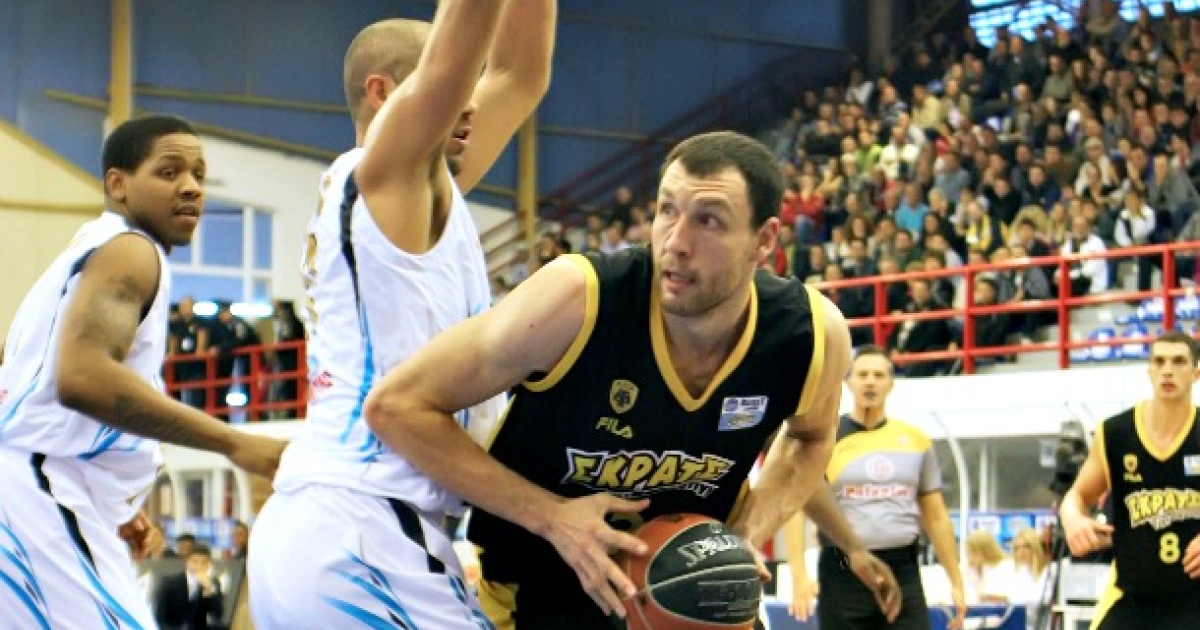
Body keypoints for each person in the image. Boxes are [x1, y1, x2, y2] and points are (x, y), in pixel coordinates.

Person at [363, 131, 900, 630]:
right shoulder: (576, 299)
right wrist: (552, 518)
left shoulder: (810, 333)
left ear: (764, 239)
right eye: (667, 210)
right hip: (542, 592)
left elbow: (809, 439)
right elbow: (397, 406)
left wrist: (742, 535)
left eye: (709, 221)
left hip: (695, 602)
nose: (676, 242)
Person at [246, 1, 556, 628]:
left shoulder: (421, 193)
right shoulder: (380, 174)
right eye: (457, 89)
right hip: (362, 524)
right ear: (382, 94)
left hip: (349, 524)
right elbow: (450, 64)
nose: (471, 105)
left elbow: (519, 76)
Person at [0, 115, 284, 630]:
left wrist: (108, 498)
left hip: (40, 488)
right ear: (118, 184)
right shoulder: (133, 251)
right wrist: (233, 442)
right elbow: (82, 379)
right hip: (34, 492)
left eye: (199, 174)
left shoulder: (85, 252)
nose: (191, 187)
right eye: (169, 172)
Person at [784, 346, 967, 630]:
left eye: (879, 375)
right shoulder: (825, 439)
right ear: (848, 382)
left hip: (903, 568)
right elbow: (797, 507)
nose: (870, 382)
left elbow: (936, 517)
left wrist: (956, 581)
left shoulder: (916, 441)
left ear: (891, 383)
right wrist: (798, 575)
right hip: (842, 569)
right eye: (863, 375)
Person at [1059, 331, 1200, 629]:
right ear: (1149, 371)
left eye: (1178, 361)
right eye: (1159, 361)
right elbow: (1076, 496)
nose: (1167, 370)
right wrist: (1073, 519)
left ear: (1196, 373)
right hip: (1131, 597)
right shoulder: (1115, 433)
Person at [154, 544, 224, 630]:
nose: (199, 566)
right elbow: (160, 615)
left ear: (209, 564)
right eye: (195, 561)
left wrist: (209, 589)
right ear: (187, 561)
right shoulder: (170, 582)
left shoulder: (213, 583)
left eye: (204, 562)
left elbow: (218, 614)